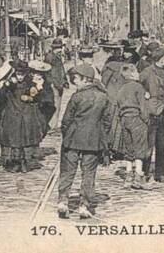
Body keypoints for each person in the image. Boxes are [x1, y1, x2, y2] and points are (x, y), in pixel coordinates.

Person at [57, 62, 112, 220]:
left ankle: (63, 201)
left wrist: (66, 135)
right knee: (89, 174)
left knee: (68, 171)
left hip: (73, 139)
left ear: (85, 79)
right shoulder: (103, 97)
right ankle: (84, 205)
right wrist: (102, 139)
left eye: (76, 79)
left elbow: (66, 120)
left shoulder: (77, 96)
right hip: (93, 142)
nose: (74, 81)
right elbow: (107, 122)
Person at [0, 60, 46, 172]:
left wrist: (31, 97)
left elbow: (38, 98)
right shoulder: (9, 83)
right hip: (12, 114)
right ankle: (15, 162)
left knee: (24, 139)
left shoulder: (30, 83)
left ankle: (23, 161)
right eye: (18, 74)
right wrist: (6, 85)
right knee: (14, 139)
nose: (20, 77)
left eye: (22, 74)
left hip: (25, 114)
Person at [140, 47, 164, 183]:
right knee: (148, 143)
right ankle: (145, 171)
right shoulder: (147, 72)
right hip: (152, 113)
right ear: (162, 59)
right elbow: (137, 84)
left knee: (163, 143)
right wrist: (144, 95)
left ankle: (161, 173)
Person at [116, 63, 150, 189]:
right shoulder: (138, 87)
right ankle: (138, 176)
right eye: (136, 72)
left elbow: (118, 104)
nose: (138, 74)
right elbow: (143, 107)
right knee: (140, 147)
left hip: (124, 119)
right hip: (136, 119)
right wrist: (146, 120)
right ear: (132, 74)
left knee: (129, 147)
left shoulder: (121, 89)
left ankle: (128, 175)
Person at [44, 38, 69, 130]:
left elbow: (61, 70)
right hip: (54, 84)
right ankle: (51, 125)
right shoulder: (51, 57)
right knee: (55, 105)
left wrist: (65, 81)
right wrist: (52, 83)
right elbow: (48, 71)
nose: (60, 50)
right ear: (55, 48)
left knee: (58, 104)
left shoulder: (56, 56)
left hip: (59, 84)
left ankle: (54, 125)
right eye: (59, 48)